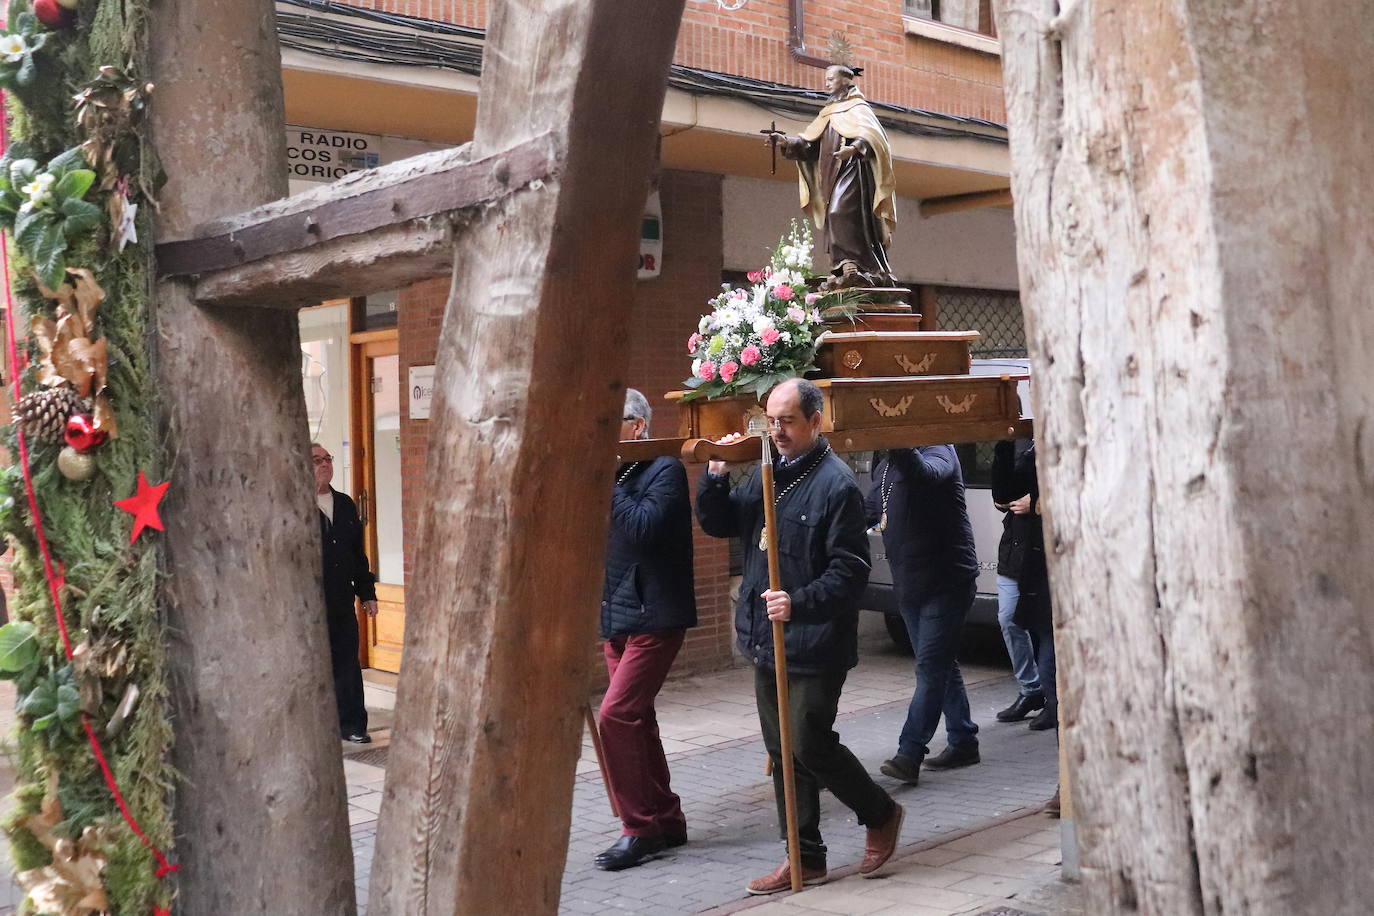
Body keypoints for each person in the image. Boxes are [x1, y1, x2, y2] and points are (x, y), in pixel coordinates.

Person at [696, 378, 903, 895]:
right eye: (772, 420)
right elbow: (724, 524)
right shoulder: (770, 470)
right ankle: (805, 857)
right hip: (767, 636)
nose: (778, 430)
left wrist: (799, 601)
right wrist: (716, 476)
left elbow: (850, 570)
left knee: (809, 740)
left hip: (815, 638)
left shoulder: (836, 485)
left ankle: (879, 812)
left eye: (788, 421)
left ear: (815, 421)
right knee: (782, 749)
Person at [593, 389, 698, 871]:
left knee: (615, 718)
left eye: (607, 422)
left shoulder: (664, 468)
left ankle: (638, 829)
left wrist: (608, 478)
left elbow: (643, 530)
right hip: (617, 614)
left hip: (656, 614)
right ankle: (667, 821)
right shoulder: (614, 475)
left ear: (636, 427)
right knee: (638, 721)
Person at [868, 446, 981, 786]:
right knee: (939, 663)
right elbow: (870, 510)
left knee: (930, 667)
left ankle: (910, 753)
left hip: (947, 580)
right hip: (910, 583)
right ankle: (963, 740)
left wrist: (898, 439)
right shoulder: (884, 463)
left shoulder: (940, 450)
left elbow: (924, 473)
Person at [776, 64, 897, 289]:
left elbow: (875, 139)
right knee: (834, 216)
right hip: (831, 173)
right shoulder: (828, 112)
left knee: (840, 211)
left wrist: (855, 148)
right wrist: (787, 143)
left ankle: (856, 263)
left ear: (845, 80)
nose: (827, 83)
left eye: (831, 78)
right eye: (827, 79)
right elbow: (810, 145)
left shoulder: (859, 108)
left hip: (855, 170)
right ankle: (844, 265)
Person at [312, 443, 378, 744]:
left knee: (347, 663)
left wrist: (367, 593)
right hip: (310, 603)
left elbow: (357, 554)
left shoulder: (346, 504)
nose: (325, 465)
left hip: (340, 598)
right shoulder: (295, 505)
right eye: (317, 460)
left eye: (328, 459)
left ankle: (353, 725)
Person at [992, 439, 1057, 732]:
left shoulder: (1058, 434)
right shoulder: (1022, 441)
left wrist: (1039, 502)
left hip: (1044, 554)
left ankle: (1054, 702)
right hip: (1016, 551)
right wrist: (1001, 444)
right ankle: (1032, 690)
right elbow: (1002, 494)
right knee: (1008, 618)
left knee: (1046, 630)